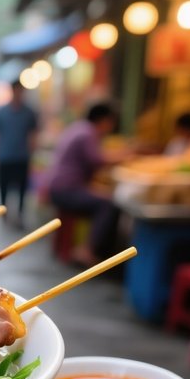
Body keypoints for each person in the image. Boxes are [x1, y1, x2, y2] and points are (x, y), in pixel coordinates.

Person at [47, 102, 125, 266]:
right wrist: (125, 156)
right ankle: (87, 250)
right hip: (65, 190)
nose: (111, 127)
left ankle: (86, 248)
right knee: (107, 204)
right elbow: (97, 159)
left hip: (59, 187)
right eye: (111, 122)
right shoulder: (88, 133)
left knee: (105, 199)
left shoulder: (78, 128)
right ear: (103, 120)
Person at [0, 80, 38, 227]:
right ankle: (3, 214)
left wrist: (32, 155)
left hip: (22, 157)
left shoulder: (29, 113)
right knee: (3, 188)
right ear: (12, 91)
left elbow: (32, 136)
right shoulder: (1, 113)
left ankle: (19, 214)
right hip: (5, 156)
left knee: (21, 190)